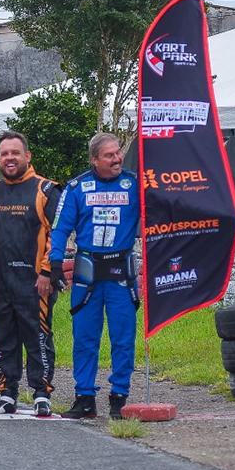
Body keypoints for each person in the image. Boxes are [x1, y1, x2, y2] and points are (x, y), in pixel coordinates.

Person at [49, 132, 140, 420]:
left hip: (121, 274)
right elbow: (60, 228)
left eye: (118, 153)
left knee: (123, 338)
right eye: (109, 155)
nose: (117, 158)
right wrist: (54, 263)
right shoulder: (77, 188)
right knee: (85, 338)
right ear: (94, 160)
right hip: (87, 275)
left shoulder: (135, 185)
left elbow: (160, 214)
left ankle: (119, 396)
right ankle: (85, 397)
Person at [0, 131, 61, 417]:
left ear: (27, 156)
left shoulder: (46, 189)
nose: (10, 158)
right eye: (4, 154)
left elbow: (58, 234)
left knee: (37, 337)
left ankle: (42, 393)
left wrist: (47, 273)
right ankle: (7, 393)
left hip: (35, 282)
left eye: (15, 153)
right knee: (4, 339)